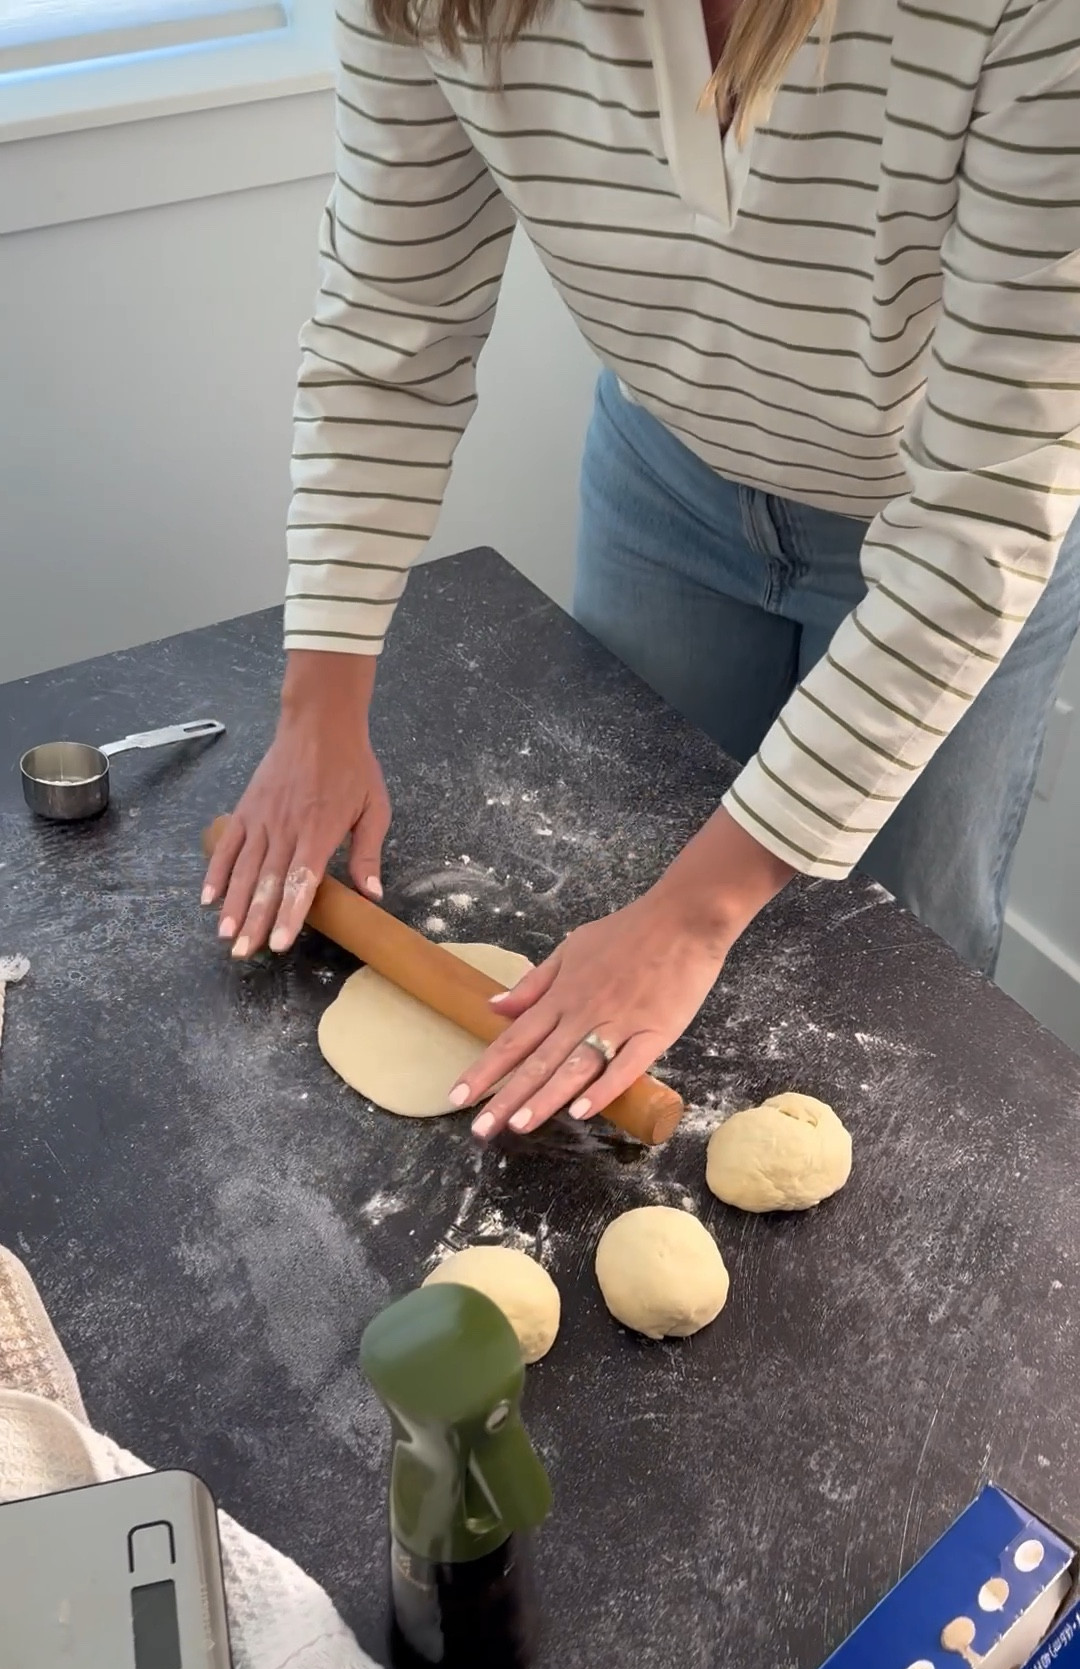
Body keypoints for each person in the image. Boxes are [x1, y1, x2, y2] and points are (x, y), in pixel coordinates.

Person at [203, 0, 1080, 1139]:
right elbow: (393, 318)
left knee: (897, 1004)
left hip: (946, 542)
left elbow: (982, 506)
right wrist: (319, 706)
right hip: (665, 481)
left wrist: (697, 914)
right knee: (611, 888)